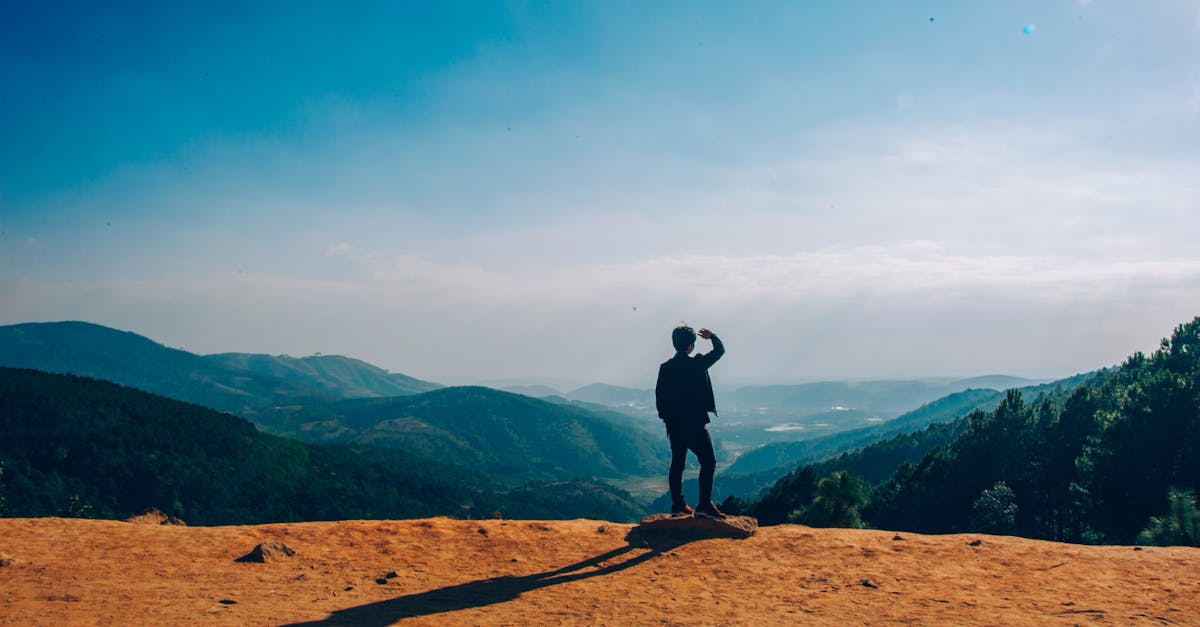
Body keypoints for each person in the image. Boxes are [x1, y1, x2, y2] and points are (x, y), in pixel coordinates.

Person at [655, 324, 726, 518]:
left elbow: (660, 397)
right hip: (694, 424)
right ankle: (704, 505)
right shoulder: (697, 364)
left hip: (675, 425)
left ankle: (678, 505)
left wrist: (667, 421)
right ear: (691, 346)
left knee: (677, 464)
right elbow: (720, 351)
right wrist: (712, 336)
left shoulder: (666, 368)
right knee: (708, 462)